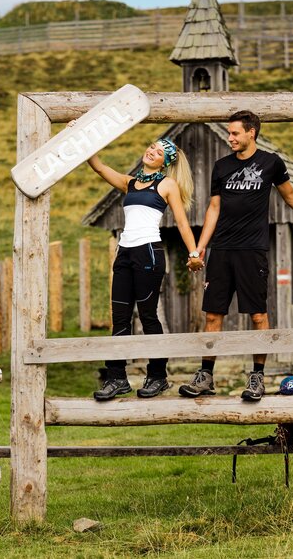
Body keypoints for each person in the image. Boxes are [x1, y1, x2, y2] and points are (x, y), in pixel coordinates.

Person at [179, 110, 293, 402]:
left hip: (253, 250)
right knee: (213, 315)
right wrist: (198, 249)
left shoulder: (271, 163)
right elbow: (213, 209)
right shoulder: (221, 166)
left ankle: (257, 377)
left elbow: (291, 197)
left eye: (235, 133)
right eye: (229, 132)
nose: (230, 137)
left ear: (252, 133)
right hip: (221, 250)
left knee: (258, 314)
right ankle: (205, 376)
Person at [87, 137, 201, 401]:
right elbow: (100, 168)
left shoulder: (167, 184)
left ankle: (158, 376)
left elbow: (183, 224)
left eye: (159, 152)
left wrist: (194, 254)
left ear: (165, 162)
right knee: (120, 317)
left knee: (148, 316)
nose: (152, 151)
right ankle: (116, 378)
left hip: (149, 252)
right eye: (151, 147)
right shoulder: (129, 183)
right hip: (124, 253)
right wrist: (84, 141)